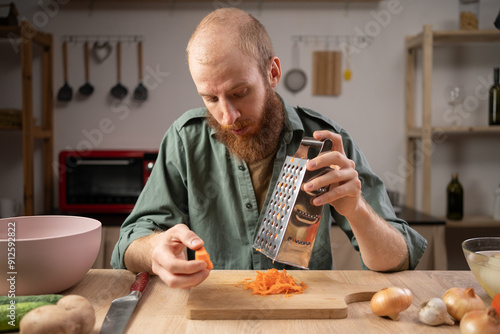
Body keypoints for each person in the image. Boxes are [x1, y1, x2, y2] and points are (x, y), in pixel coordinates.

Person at [111, 8, 427, 289]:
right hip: (217, 314)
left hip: (303, 315)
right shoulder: (185, 140)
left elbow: (400, 259)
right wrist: (155, 250)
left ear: (272, 73)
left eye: (240, 92)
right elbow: (127, 245)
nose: (227, 116)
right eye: (210, 98)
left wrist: (357, 211)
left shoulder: (325, 142)